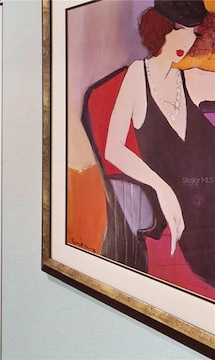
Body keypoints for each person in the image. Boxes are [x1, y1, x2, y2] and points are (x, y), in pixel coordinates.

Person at [104, 0, 215, 287]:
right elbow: (113, 148)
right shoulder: (137, 76)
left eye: (192, 32)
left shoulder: (189, 77)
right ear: (159, 28)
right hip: (188, 209)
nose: (185, 39)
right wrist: (161, 187)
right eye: (177, 30)